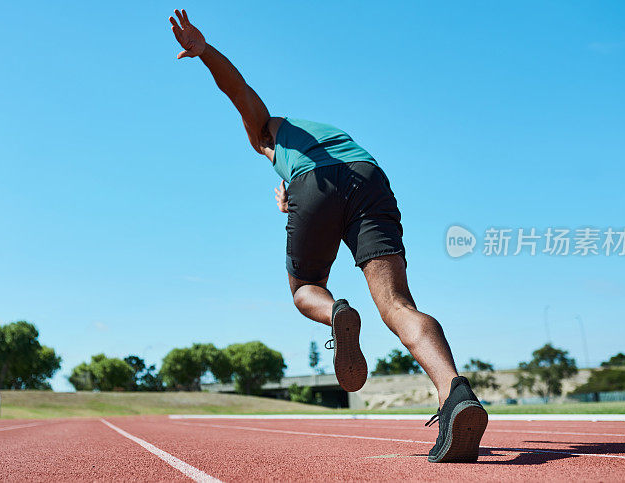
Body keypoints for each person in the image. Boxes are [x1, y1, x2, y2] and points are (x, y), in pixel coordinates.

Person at [169, 9, 488, 463]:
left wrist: (205, 53)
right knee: (398, 305)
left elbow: (237, 91)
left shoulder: (269, 131)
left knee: (303, 290)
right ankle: (454, 393)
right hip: (368, 177)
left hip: (313, 183)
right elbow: (338, 175)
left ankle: (336, 310)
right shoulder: (330, 133)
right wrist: (297, 198)